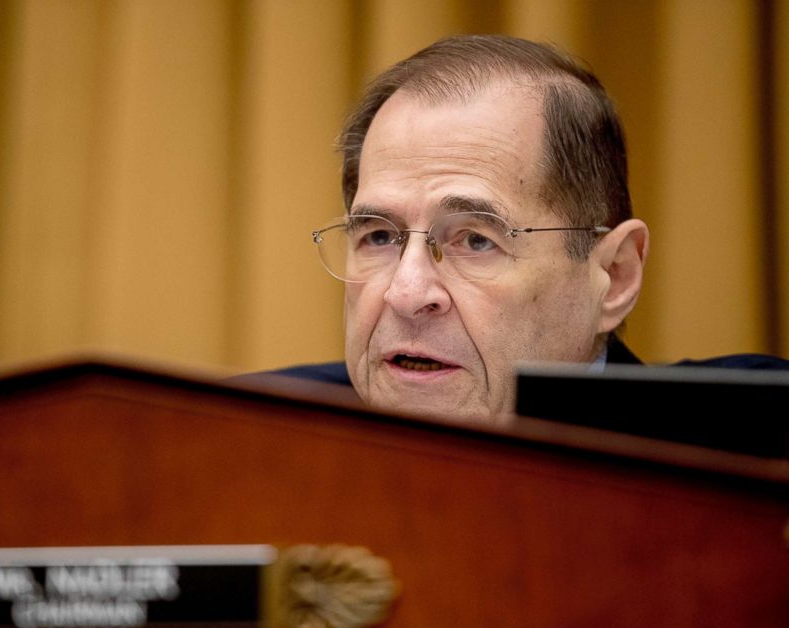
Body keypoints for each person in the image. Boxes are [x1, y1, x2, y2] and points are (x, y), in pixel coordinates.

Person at [267, 34, 787, 418]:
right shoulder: (250, 440)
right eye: (379, 236)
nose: (406, 293)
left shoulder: (752, 452)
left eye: (475, 239)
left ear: (616, 275)